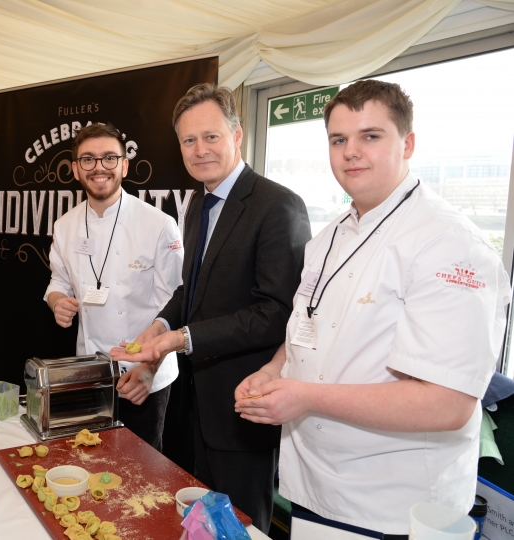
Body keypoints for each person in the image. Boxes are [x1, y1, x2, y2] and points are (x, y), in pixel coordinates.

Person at [234, 80, 510, 538]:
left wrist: (303, 396)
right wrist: (273, 371)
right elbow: (307, 325)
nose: (351, 152)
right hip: (314, 483)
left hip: (396, 504)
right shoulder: (328, 238)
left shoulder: (450, 243)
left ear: (409, 143)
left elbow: (448, 403)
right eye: (339, 140)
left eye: (371, 136)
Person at [112, 83, 311, 532]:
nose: (199, 150)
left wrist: (181, 339)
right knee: (195, 520)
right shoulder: (199, 202)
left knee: (239, 524)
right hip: (193, 401)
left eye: (211, 136)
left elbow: (277, 313)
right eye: (188, 140)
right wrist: (160, 323)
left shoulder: (278, 206)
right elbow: (193, 289)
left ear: (237, 135)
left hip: (244, 403)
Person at [45, 123, 184, 451]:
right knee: (90, 459)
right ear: (76, 169)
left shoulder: (158, 224)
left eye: (109, 158)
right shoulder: (65, 225)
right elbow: (58, 280)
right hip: (90, 370)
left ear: (124, 165)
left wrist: (149, 367)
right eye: (88, 160)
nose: (99, 168)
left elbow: (178, 302)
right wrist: (56, 301)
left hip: (142, 375)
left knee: (141, 472)